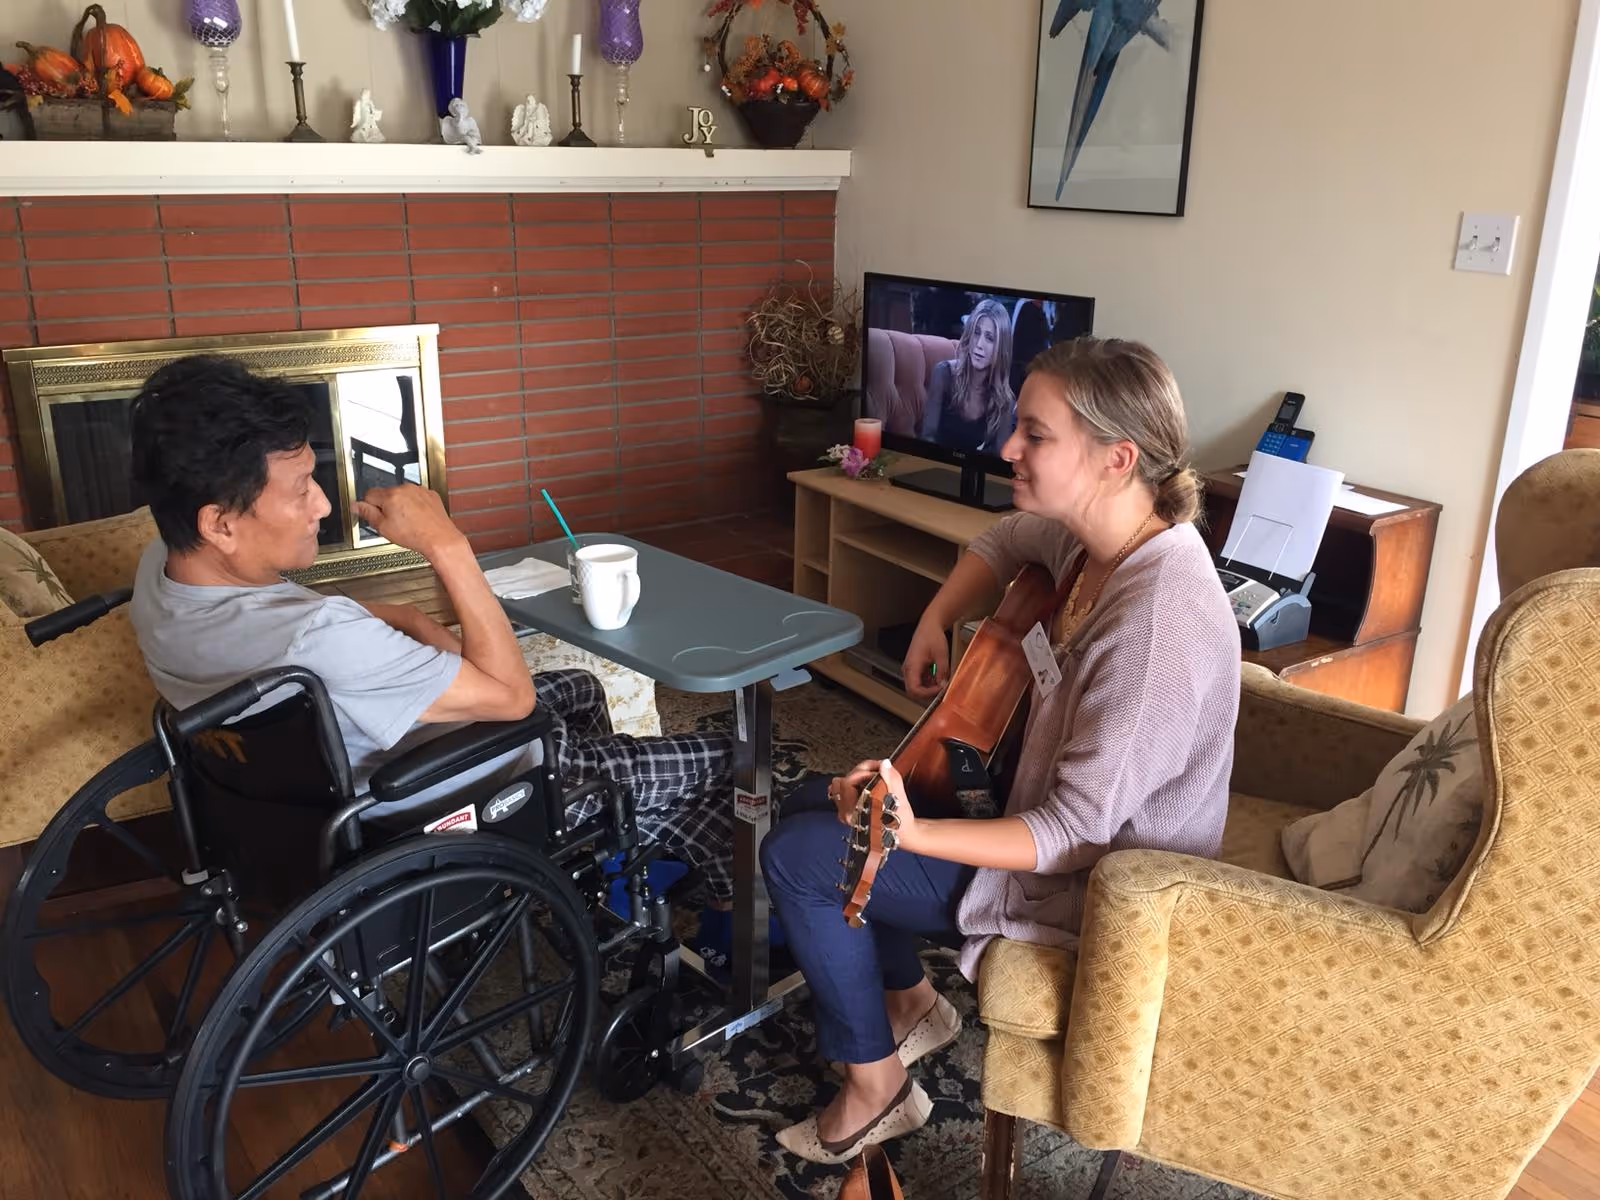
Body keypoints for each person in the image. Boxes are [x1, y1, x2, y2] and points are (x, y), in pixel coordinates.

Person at [760, 337, 1240, 1164]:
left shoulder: (1158, 621)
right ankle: (913, 1002)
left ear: (1116, 458)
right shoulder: (1099, 541)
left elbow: (1071, 836)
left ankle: (878, 1088)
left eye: (1035, 434)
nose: (1008, 448)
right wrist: (937, 616)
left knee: (805, 855)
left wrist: (908, 833)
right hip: (1035, 819)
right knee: (815, 799)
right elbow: (1007, 539)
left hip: (1091, 889)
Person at [126, 354, 737, 925]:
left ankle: (602, 851)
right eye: (299, 489)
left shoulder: (162, 571)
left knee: (579, 685)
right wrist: (447, 544)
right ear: (221, 524)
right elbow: (512, 700)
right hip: (443, 802)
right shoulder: (323, 639)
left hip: (319, 793)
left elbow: (340, 627)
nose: (320, 504)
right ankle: (633, 849)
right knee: (738, 759)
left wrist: (416, 624)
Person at [918, 298, 1017, 454]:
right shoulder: (943, 374)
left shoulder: (1005, 401)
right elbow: (927, 438)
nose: (979, 344)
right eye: (976, 333)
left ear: (1001, 348)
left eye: (989, 338)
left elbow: (1000, 460)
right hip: (936, 467)